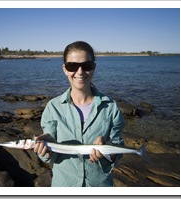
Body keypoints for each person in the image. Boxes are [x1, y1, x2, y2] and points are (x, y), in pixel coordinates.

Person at [34, 41, 124, 187]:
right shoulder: (53, 107)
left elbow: (118, 148)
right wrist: (45, 151)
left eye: (86, 66)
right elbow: (49, 157)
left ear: (93, 67)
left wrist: (108, 152)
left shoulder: (111, 107)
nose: (80, 72)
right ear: (64, 69)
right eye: (72, 66)